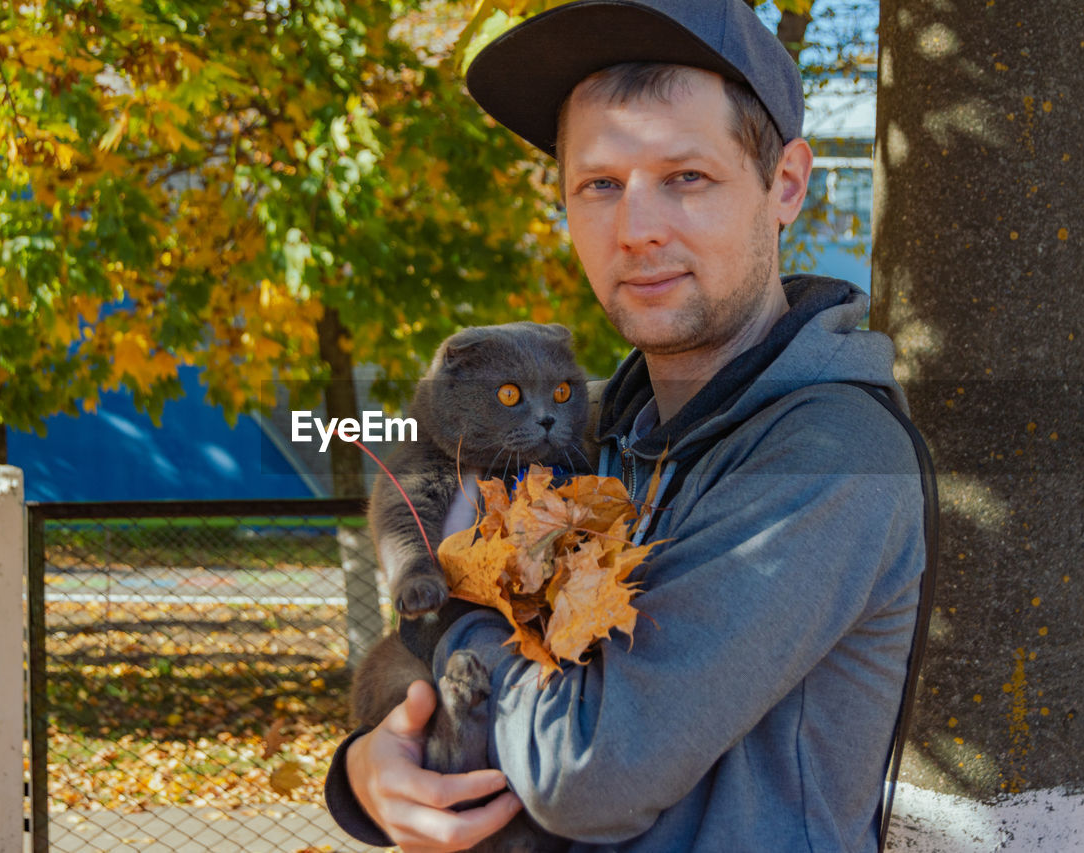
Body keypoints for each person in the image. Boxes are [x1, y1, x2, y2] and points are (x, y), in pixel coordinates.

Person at [324, 1, 928, 850]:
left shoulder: (829, 459)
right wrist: (365, 771)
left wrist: (447, 623)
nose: (637, 230)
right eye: (600, 185)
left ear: (785, 183)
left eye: (687, 177)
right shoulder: (593, 427)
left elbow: (586, 770)